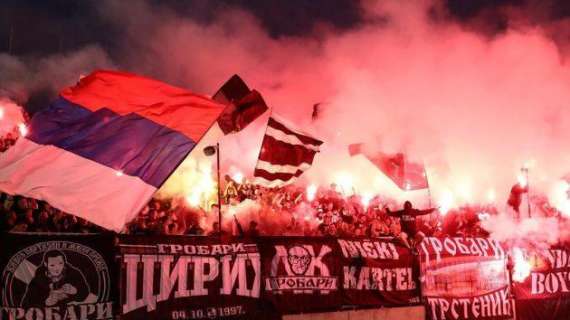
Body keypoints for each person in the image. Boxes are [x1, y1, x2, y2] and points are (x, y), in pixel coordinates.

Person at [21, 250, 90, 307]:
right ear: (45, 264)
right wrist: (45, 302)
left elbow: (85, 293)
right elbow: (26, 304)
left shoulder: (73, 273)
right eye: (52, 265)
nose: (57, 268)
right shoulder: (38, 280)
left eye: (60, 263)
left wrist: (75, 291)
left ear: (64, 263)